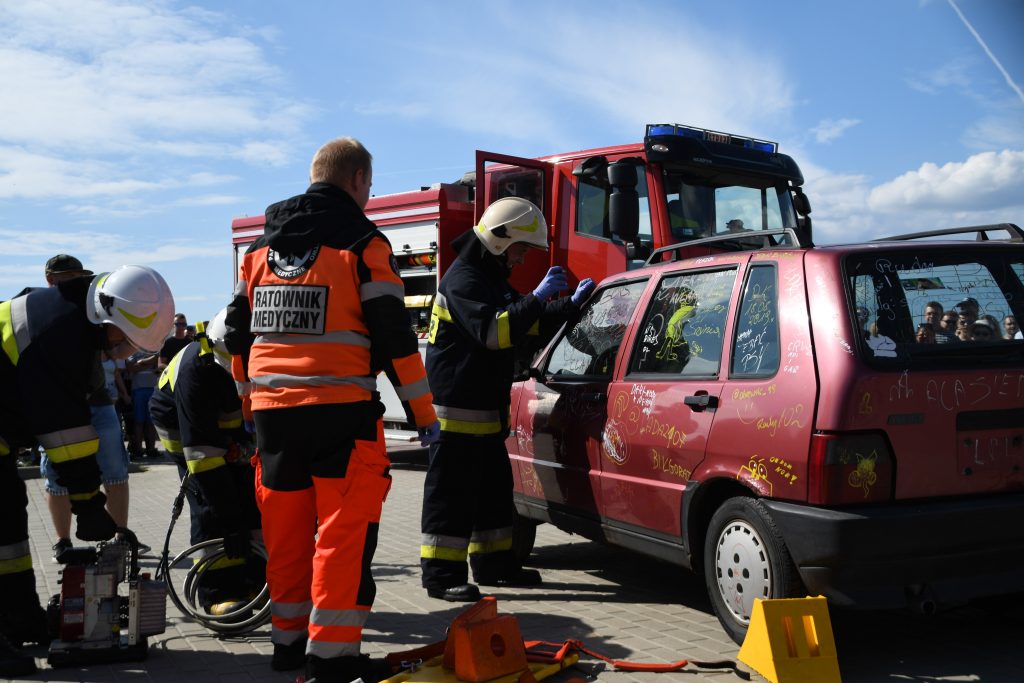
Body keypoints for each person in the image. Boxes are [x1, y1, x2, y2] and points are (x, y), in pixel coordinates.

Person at [223, 136, 438, 683]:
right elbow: (395, 338)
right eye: (370, 184)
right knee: (342, 538)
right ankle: (331, 658)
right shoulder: (364, 243)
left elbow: (235, 335)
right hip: (341, 415)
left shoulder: (258, 251)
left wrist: (250, 401)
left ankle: (288, 646)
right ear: (358, 180)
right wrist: (425, 418)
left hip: (274, 419)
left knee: (287, 536)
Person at [0, 264, 174, 676]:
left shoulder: (71, 318)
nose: (126, 353)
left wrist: (88, 502)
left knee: (6, 525)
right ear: (108, 321)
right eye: (126, 342)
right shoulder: (60, 335)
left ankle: (18, 617)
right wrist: (88, 504)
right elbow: (65, 432)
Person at [420, 196, 595, 603]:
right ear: (501, 240)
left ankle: (495, 565)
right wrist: (536, 298)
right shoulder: (463, 279)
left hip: (482, 411)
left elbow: (523, 325)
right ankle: (441, 574)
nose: (521, 259)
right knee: (452, 499)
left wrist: (565, 307)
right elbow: (495, 332)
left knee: (493, 496)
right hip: (456, 414)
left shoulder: (487, 277)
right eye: (520, 249)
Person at [149, 309, 263, 617]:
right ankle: (219, 594)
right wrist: (231, 520)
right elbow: (203, 459)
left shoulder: (256, 355)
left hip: (232, 435)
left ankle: (257, 583)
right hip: (184, 431)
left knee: (253, 500)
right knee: (211, 507)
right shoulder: (195, 372)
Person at [36, 255, 143, 564]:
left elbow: (117, 350)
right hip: (59, 408)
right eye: (68, 277)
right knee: (56, 479)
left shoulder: (90, 312)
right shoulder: (41, 311)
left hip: (99, 404)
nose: (75, 282)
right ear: (51, 280)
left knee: (115, 473)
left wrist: (141, 335)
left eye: (78, 276)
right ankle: (63, 542)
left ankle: (120, 535)